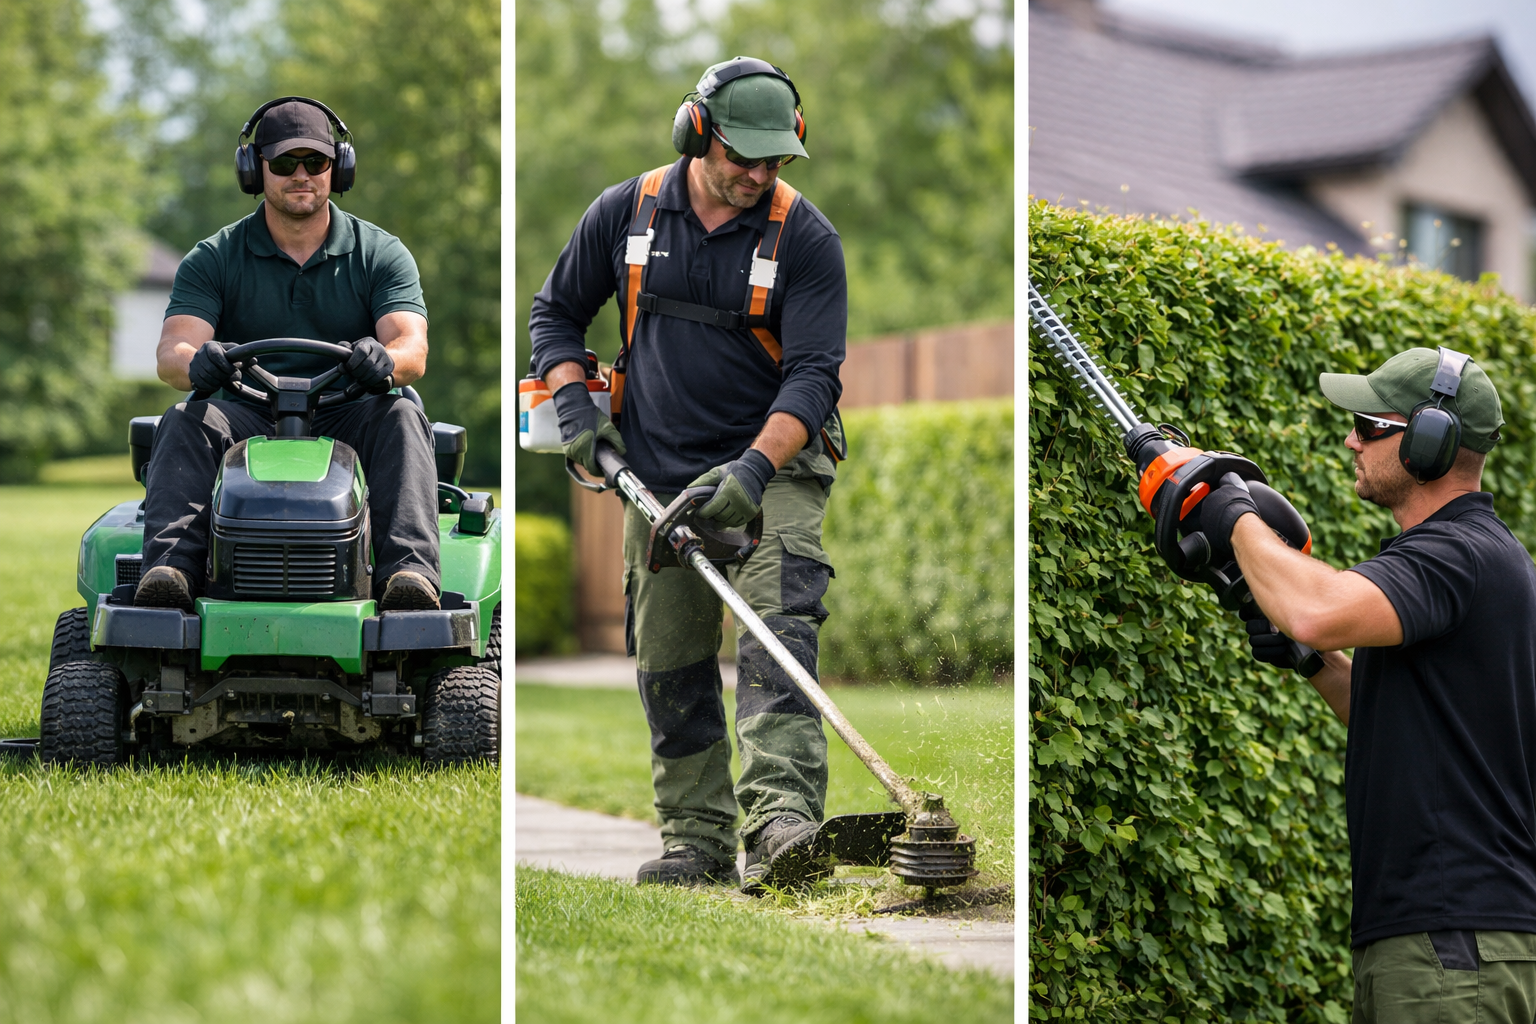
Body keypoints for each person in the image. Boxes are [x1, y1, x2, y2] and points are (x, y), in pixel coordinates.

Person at [529, 57, 848, 891]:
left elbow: (814, 375)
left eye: (776, 159)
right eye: (743, 156)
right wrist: (578, 419)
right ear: (696, 133)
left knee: (778, 628)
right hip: (658, 474)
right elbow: (554, 315)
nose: (759, 174)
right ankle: (696, 841)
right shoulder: (626, 211)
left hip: (774, 467)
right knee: (668, 660)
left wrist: (753, 468)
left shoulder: (805, 237)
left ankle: (782, 825)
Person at [1198, 347, 1536, 1022]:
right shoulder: (1477, 556)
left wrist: (1232, 513)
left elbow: (1314, 610)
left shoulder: (1457, 554)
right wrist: (1315, 663)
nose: (1351, 441)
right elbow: (1409, 722)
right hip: (1443, 939)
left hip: (1452, 946)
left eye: (1369, 426)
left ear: (1431, 441)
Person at [138, 97, 441, 612]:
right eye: (284, 163)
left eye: (315, 161)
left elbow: (412, 347)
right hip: (245, 414)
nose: (301, 175)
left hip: (349, 413)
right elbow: (172, 352)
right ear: (254, 170)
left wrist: (384, 361)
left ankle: (409, 575)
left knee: (402, 415)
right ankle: (170, 573)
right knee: (187, 418)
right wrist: (198, 360)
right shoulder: (214, 256)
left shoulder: (380, 253)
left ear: (337, 168)